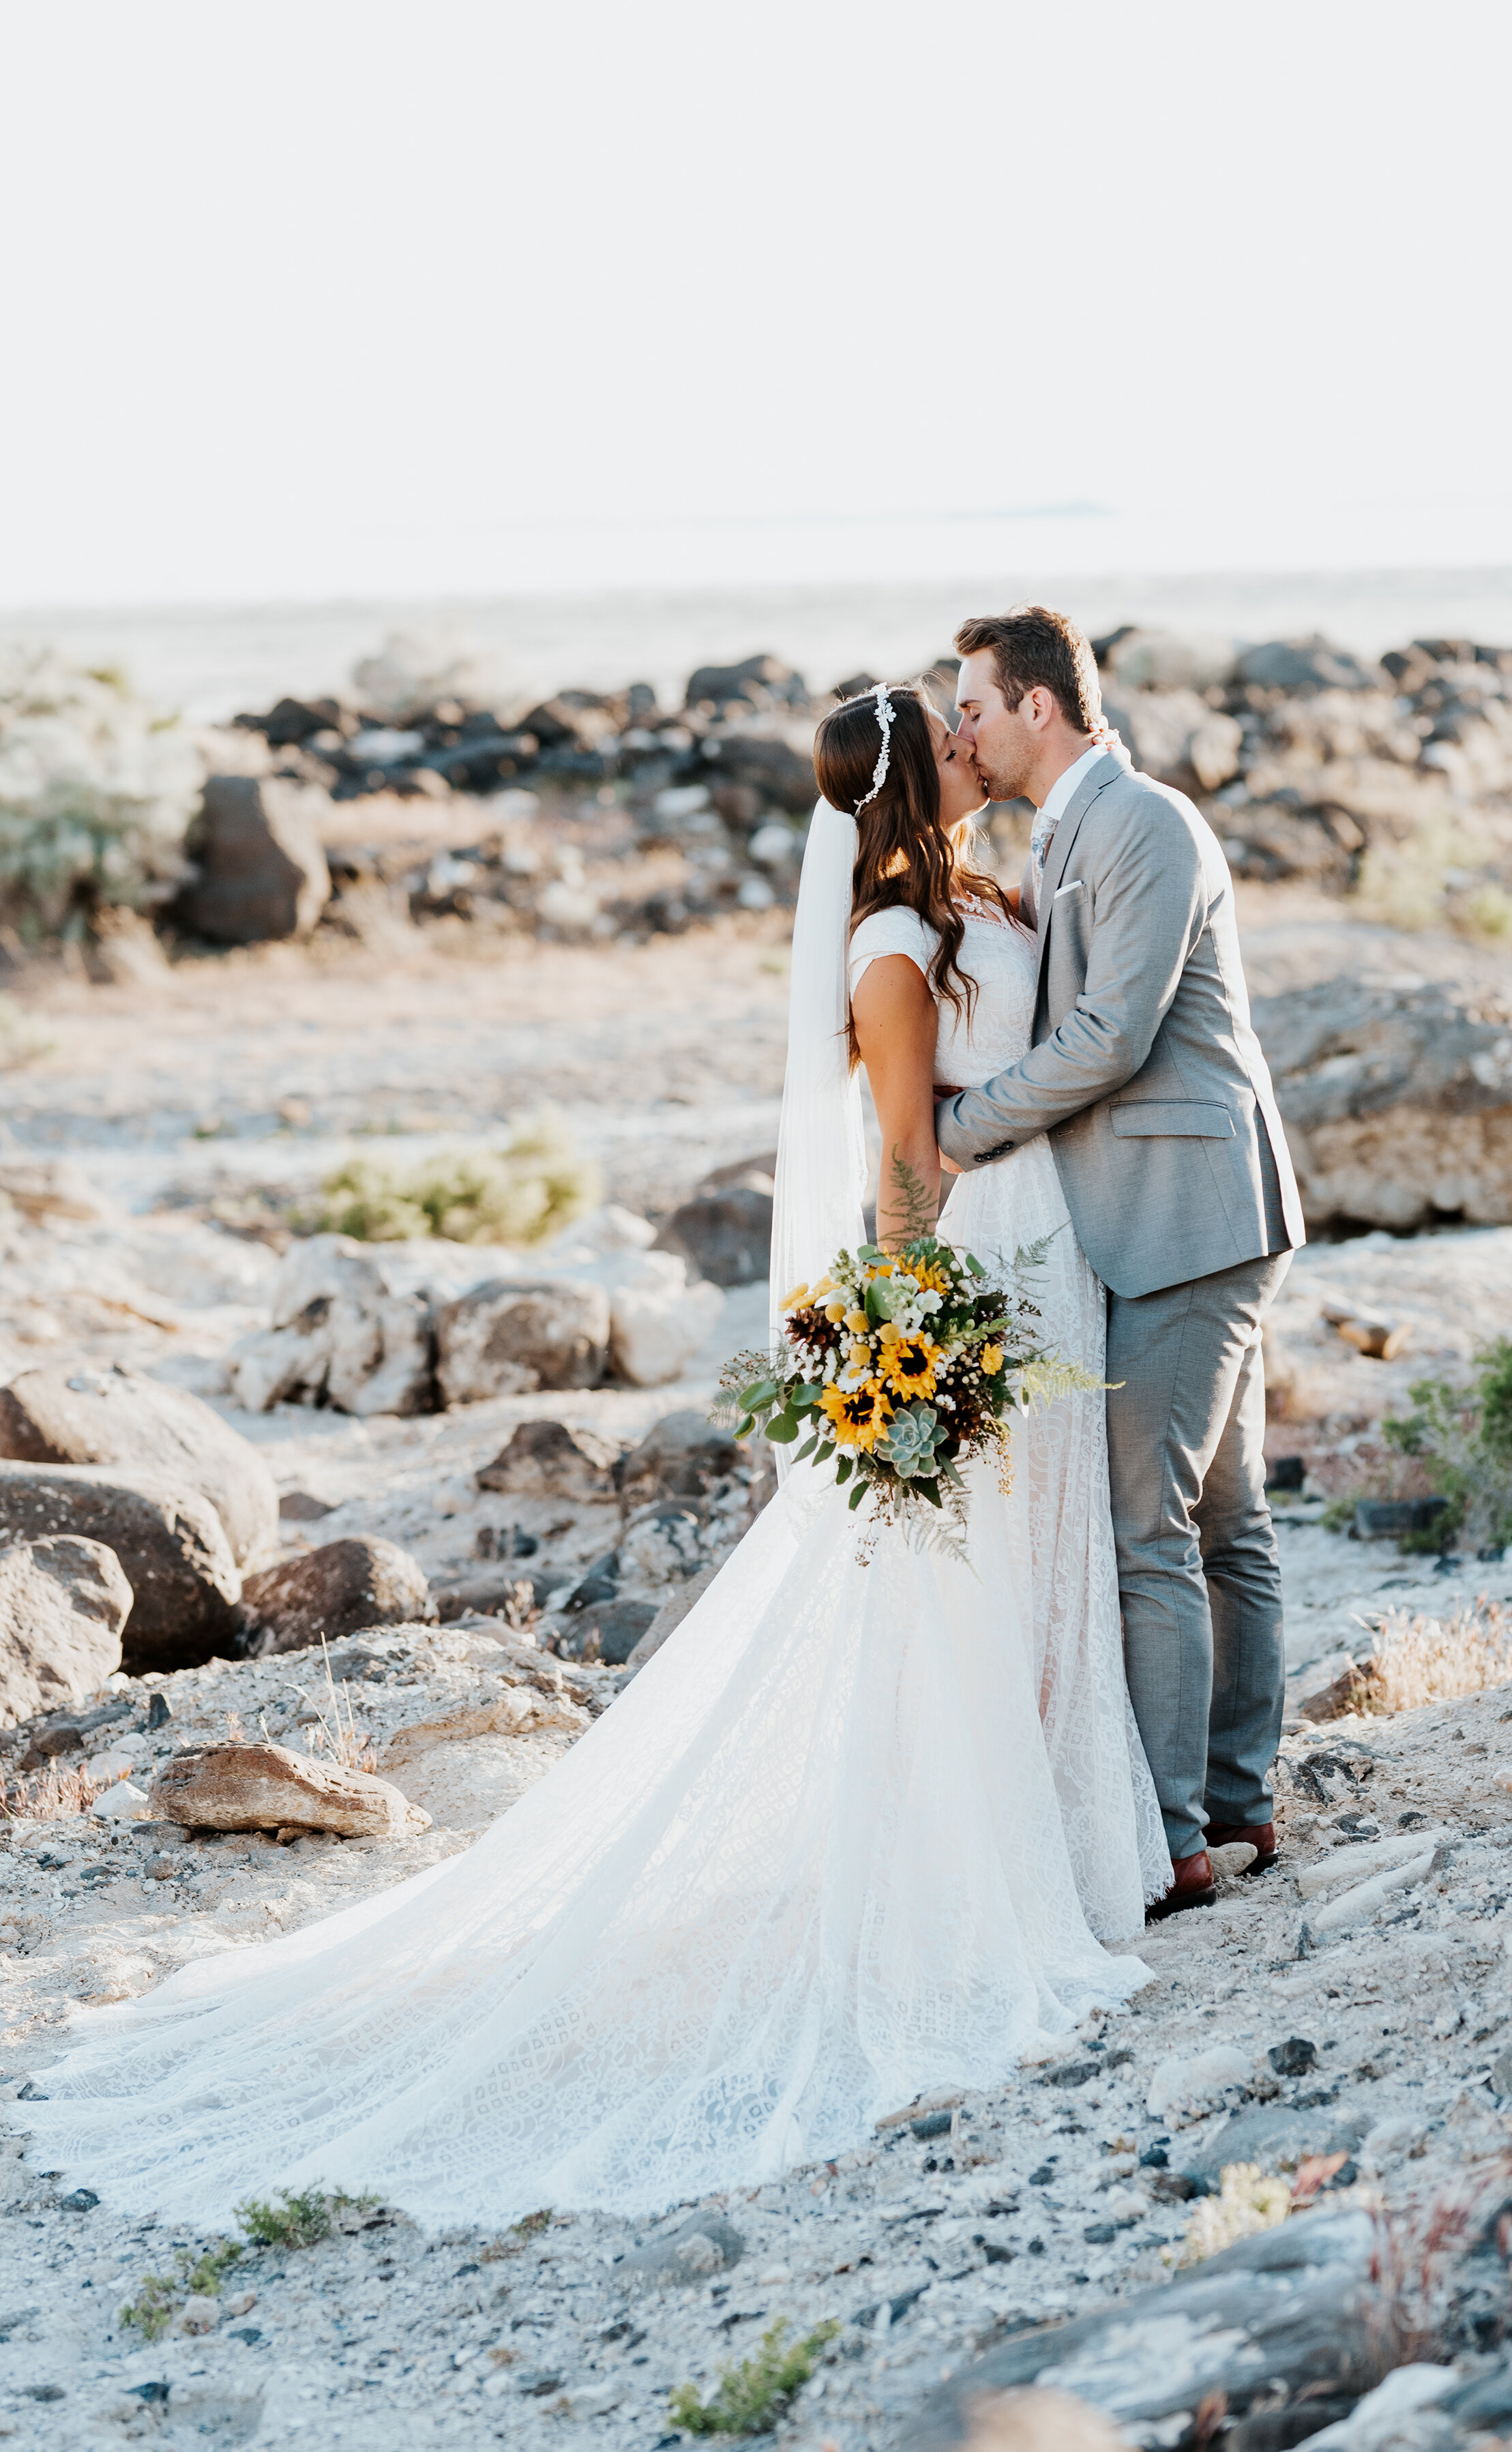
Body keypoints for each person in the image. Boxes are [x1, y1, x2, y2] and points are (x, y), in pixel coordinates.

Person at [16, 683, 1166, 2232]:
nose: (978, 746)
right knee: (958, 1586)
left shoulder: (982, 891)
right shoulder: (891, 948)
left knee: (1044, 1554)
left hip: (1055, 1244)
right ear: (913, 781)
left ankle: (1080, 1842)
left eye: (980, 728)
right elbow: (906, 1159)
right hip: (974, 1274)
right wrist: (915, 1337)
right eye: (954, 741)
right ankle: (977, 1878)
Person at [938, 606, 1305, 1919]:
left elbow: (1109, 1036)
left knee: (1152, 1526)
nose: (963, 731)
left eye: (974, 705)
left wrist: (956, 1133)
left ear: (1040, 706)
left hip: (1188, 1212)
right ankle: (1239, 1802)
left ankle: (1173, 1840)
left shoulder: (1142, 823)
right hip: (1161, 1212)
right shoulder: (1060, 834)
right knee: (1220, 1518)